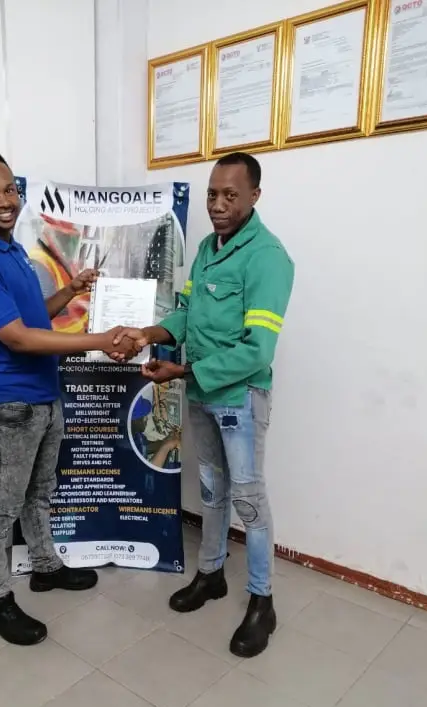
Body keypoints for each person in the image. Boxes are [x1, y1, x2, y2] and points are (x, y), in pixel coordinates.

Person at [0, 150, 138, 646]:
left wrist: (70, 290)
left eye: (9, 190)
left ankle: (45, 566)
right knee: (0, 507)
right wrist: (100, 340)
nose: (4, 201)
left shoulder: (12, 251)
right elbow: (17, 338)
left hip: (42, 397)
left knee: (39, 492)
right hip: (5, 403)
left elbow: (33, 318)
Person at [114, 152, 294, 658]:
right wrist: (148, 333)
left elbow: (257, 350)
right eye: (213, 194)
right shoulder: (207, 250)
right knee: (213, 491)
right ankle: (211, 574)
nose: (217, 204)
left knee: (248, 501)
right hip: (201, 395)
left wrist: (183, 371)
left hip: (239, 398)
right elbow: (187, 312)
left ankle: (262, 601)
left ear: (254, 196)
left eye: (230, 195)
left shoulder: (268, 258)